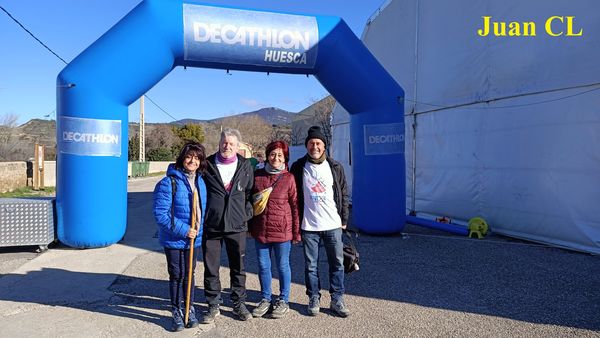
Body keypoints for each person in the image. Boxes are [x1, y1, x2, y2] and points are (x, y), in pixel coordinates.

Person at [290, 126, 351, 318]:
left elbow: (343, 193)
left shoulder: (335, 167)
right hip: (309, 226)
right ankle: (314, 297)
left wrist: (344, 219)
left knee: (337, 264)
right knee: (311, 266)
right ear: (307, 145)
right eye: (311, 143)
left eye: (318, 143)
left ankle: (337, 298)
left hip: (333, 225)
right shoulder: (299, 167)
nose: (314, 146)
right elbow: (293, 197)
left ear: (324, 146)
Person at [201, 128, 254, 323]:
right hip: (212, 226)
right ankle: (213, 304)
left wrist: (245, 215)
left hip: (236, 225)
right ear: (219, 143)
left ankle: (238, 303)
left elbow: (249, 193)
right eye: (224, 142)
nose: (227, 146)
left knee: (238, 267)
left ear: (238, 146)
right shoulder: (206, 164)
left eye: (231, 143)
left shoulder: (246, 166)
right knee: (211, 267)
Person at [153, 142, 208, 331]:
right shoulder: (169, 182)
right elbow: (161, 215)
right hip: (175, 238)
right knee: (177, 275)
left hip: (195, 239)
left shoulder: (200, 181)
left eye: (197, 157)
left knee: (189, 275)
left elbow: (202, 209)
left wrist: (197, 231)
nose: (193, 160)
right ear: (182, 158)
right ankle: (176, 310)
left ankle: (188, 308)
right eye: (189, 156)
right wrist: (184, 230)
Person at [249, 141, 300, 319]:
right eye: (272, 154)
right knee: (263, 266)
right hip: (261, 230)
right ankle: (265, 298)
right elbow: (250, 203)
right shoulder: (257, 176)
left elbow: (295, 206)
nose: (276, 158)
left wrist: (296, 232)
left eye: (279, 155)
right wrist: (249, 227)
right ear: (267, 156)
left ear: (285, 157)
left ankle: (283, 300)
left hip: (282, 231)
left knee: (283, 266)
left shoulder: (289, 178)